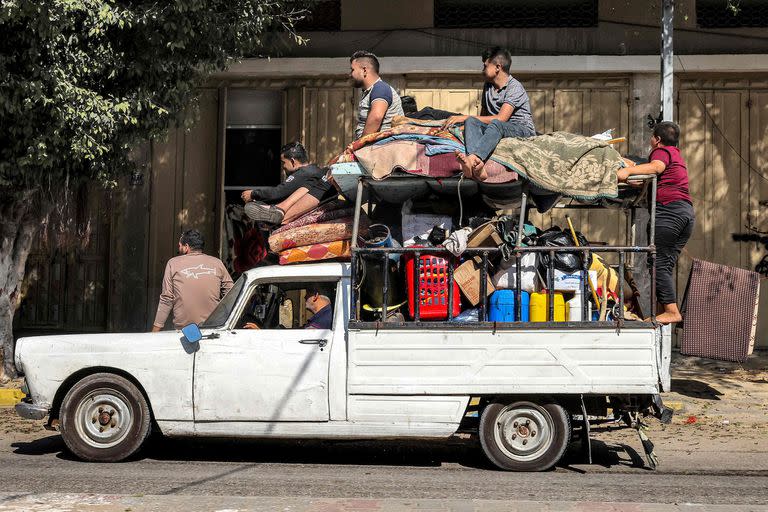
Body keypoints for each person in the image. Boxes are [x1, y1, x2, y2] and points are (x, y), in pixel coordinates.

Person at [617, 121, 695, 325]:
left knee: (658, 263)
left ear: (657, 139)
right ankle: (663, 311)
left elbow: (656, 168)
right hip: (685, 214)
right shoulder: (675, 154)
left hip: (669, 212)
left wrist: (626, 172)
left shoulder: (661, 152)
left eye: (652, 137)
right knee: (664, 265)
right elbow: (657, 175)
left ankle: (671, 311)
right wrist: (636, 175)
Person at [442, 47, 536, 181]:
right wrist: (464, 126)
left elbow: (501, 119)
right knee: (471, 121)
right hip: (497, 127)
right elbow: (481, 119)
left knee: (494, 123)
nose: (482, 70)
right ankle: (478, 169)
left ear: (498, 67)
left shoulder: (515, 87)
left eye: (485, 66)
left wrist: (464, 116)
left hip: (521, 129)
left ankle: (473, 159)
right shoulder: (488, 86)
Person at [152, 229, 234, 331]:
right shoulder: (217, 263)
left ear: (186, 247)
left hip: (184, 332)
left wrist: (155, 331)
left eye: (179, 246)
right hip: (213, 329)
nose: (179, 248)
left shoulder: (173, 263)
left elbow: (166, 298)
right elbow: (232, 294)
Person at [242, 141, 335, 226]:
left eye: (284, 163)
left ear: (293, 161)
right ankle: (275, 211)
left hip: (295, 213)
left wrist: (253, 193)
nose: (283, 167)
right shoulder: (315, 171)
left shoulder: (303, 173)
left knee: (258, 203)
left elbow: (279, 192)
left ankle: (277, 211)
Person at [349, 50, 404, 139]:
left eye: (352, 70)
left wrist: (360, 144)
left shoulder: (380, 88)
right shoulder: (372, 91)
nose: (350, 74)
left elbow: (376, 117)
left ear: (364, 70)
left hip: (381, 148)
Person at [243, 290, 333, 330]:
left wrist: (260, 334)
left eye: (308, 293)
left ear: (315, 296)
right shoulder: (325, 315)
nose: (305, 297)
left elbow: (298, 342)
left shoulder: (323, 320)